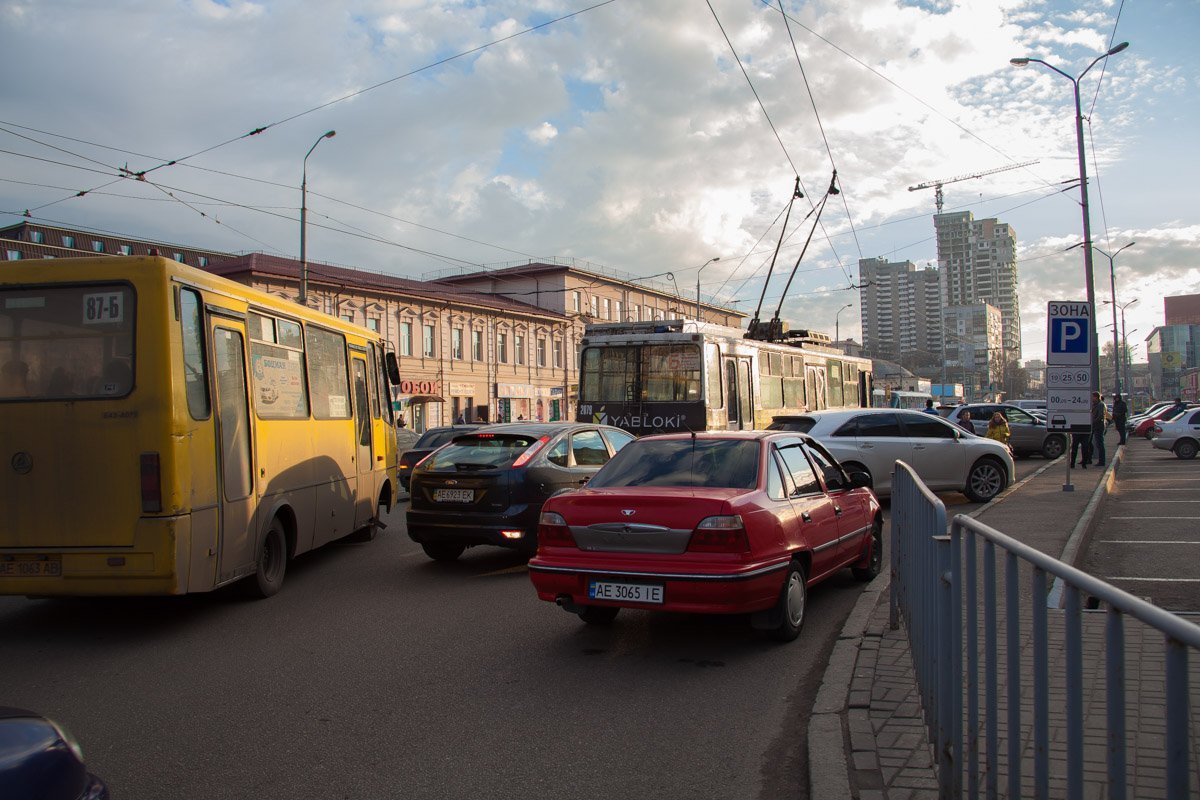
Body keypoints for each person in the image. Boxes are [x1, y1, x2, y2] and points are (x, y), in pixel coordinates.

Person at [1090, 391, 1107, 467]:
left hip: (1099, 426)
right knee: (1097, 443)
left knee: (1100, 444)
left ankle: (1102, 461)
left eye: (1093, 397)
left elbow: (1100, 416)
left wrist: (1093, 421)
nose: (1091, 398)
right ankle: (1099, 460)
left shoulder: (1100, 405)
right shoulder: (1095, 404)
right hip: (1096, 426)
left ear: (1096, 397)